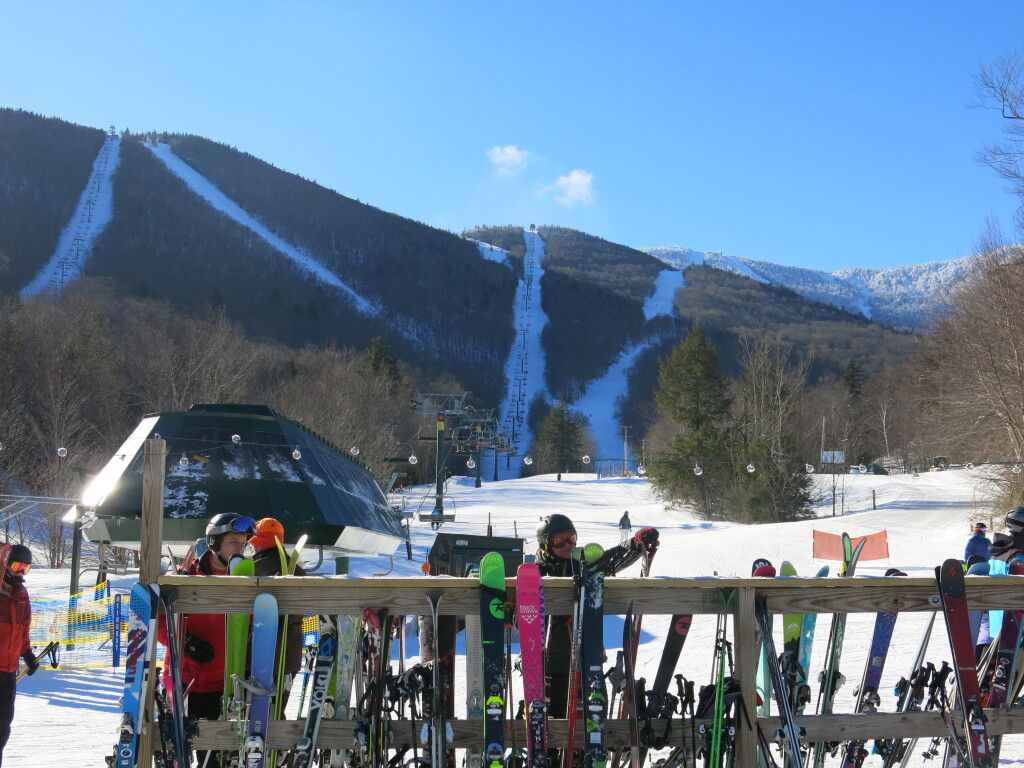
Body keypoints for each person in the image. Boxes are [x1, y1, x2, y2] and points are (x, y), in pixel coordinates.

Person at [533, 514, 658, 723]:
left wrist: (635, 544)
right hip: (554, 668)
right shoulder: (536, 573)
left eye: (571, 538)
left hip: (589, 662)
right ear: (545, 544)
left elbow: (609, 560)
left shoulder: (583, 566)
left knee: (593, 730)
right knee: (555, 730)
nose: (567, 545)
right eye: (558, 540)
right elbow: (523, 619)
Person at [158, 512, 255, 768]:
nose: (240, 548)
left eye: (243, 543)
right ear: (214, 543)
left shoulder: (247, 581)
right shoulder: (184, 576)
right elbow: (158, 622)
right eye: (234, 542)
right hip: (182, 683)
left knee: (213, 760)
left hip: (221, 686)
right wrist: (185, 641)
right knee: (177, 755)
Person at [247, 517, 306, 711]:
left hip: (259, 655)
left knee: (255, 712)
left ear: (259, 545)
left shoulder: (255, 570)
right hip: (289, 656)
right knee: (277, 710)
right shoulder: (298, 571)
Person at [0, 545, 36, 767]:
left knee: (3, 726)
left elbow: (23, 628)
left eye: (26, 568)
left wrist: (27, 653)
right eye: (17, 566)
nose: (21, 573)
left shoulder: (21, 595)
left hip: (7, 672)